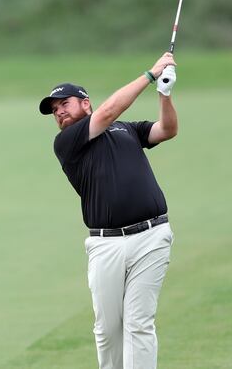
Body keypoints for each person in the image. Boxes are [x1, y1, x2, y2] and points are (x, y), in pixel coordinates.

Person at [39, 52, 179, 369]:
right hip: (106, 245)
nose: (59, 112)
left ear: (84, 103)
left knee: (139, 324)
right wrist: (150, 74)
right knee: (108, 332)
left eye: (64, 104)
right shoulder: (68, 142)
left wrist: (165, 94)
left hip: (152, 236)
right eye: (54, 110)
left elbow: (166, 130)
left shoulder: (125, 129)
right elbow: (109, 109)